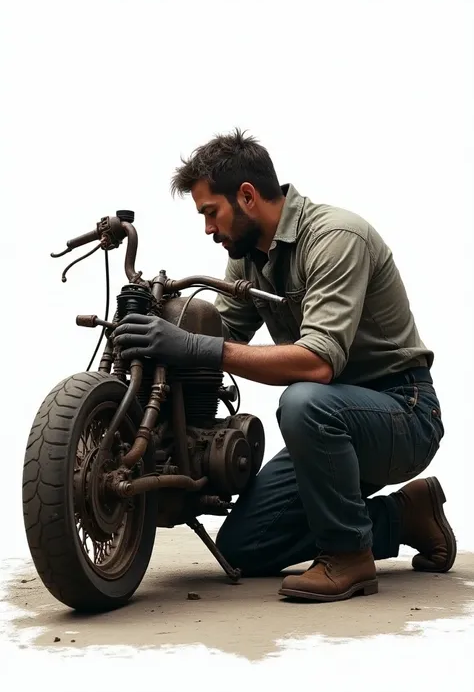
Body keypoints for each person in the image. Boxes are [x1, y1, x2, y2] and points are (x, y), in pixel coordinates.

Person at [112, 128, 456, 603]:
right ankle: (406, 516)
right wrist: (161, 338)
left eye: (211, 213)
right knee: (244, 548)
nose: (208, 230)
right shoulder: (248, 258)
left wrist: (196, 348)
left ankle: (349, 555)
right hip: (331, 426)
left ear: (247, 197)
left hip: (403, 411)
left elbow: (317, 363)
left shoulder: (335, 236)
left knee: (303, 399)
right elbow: (219, 337)